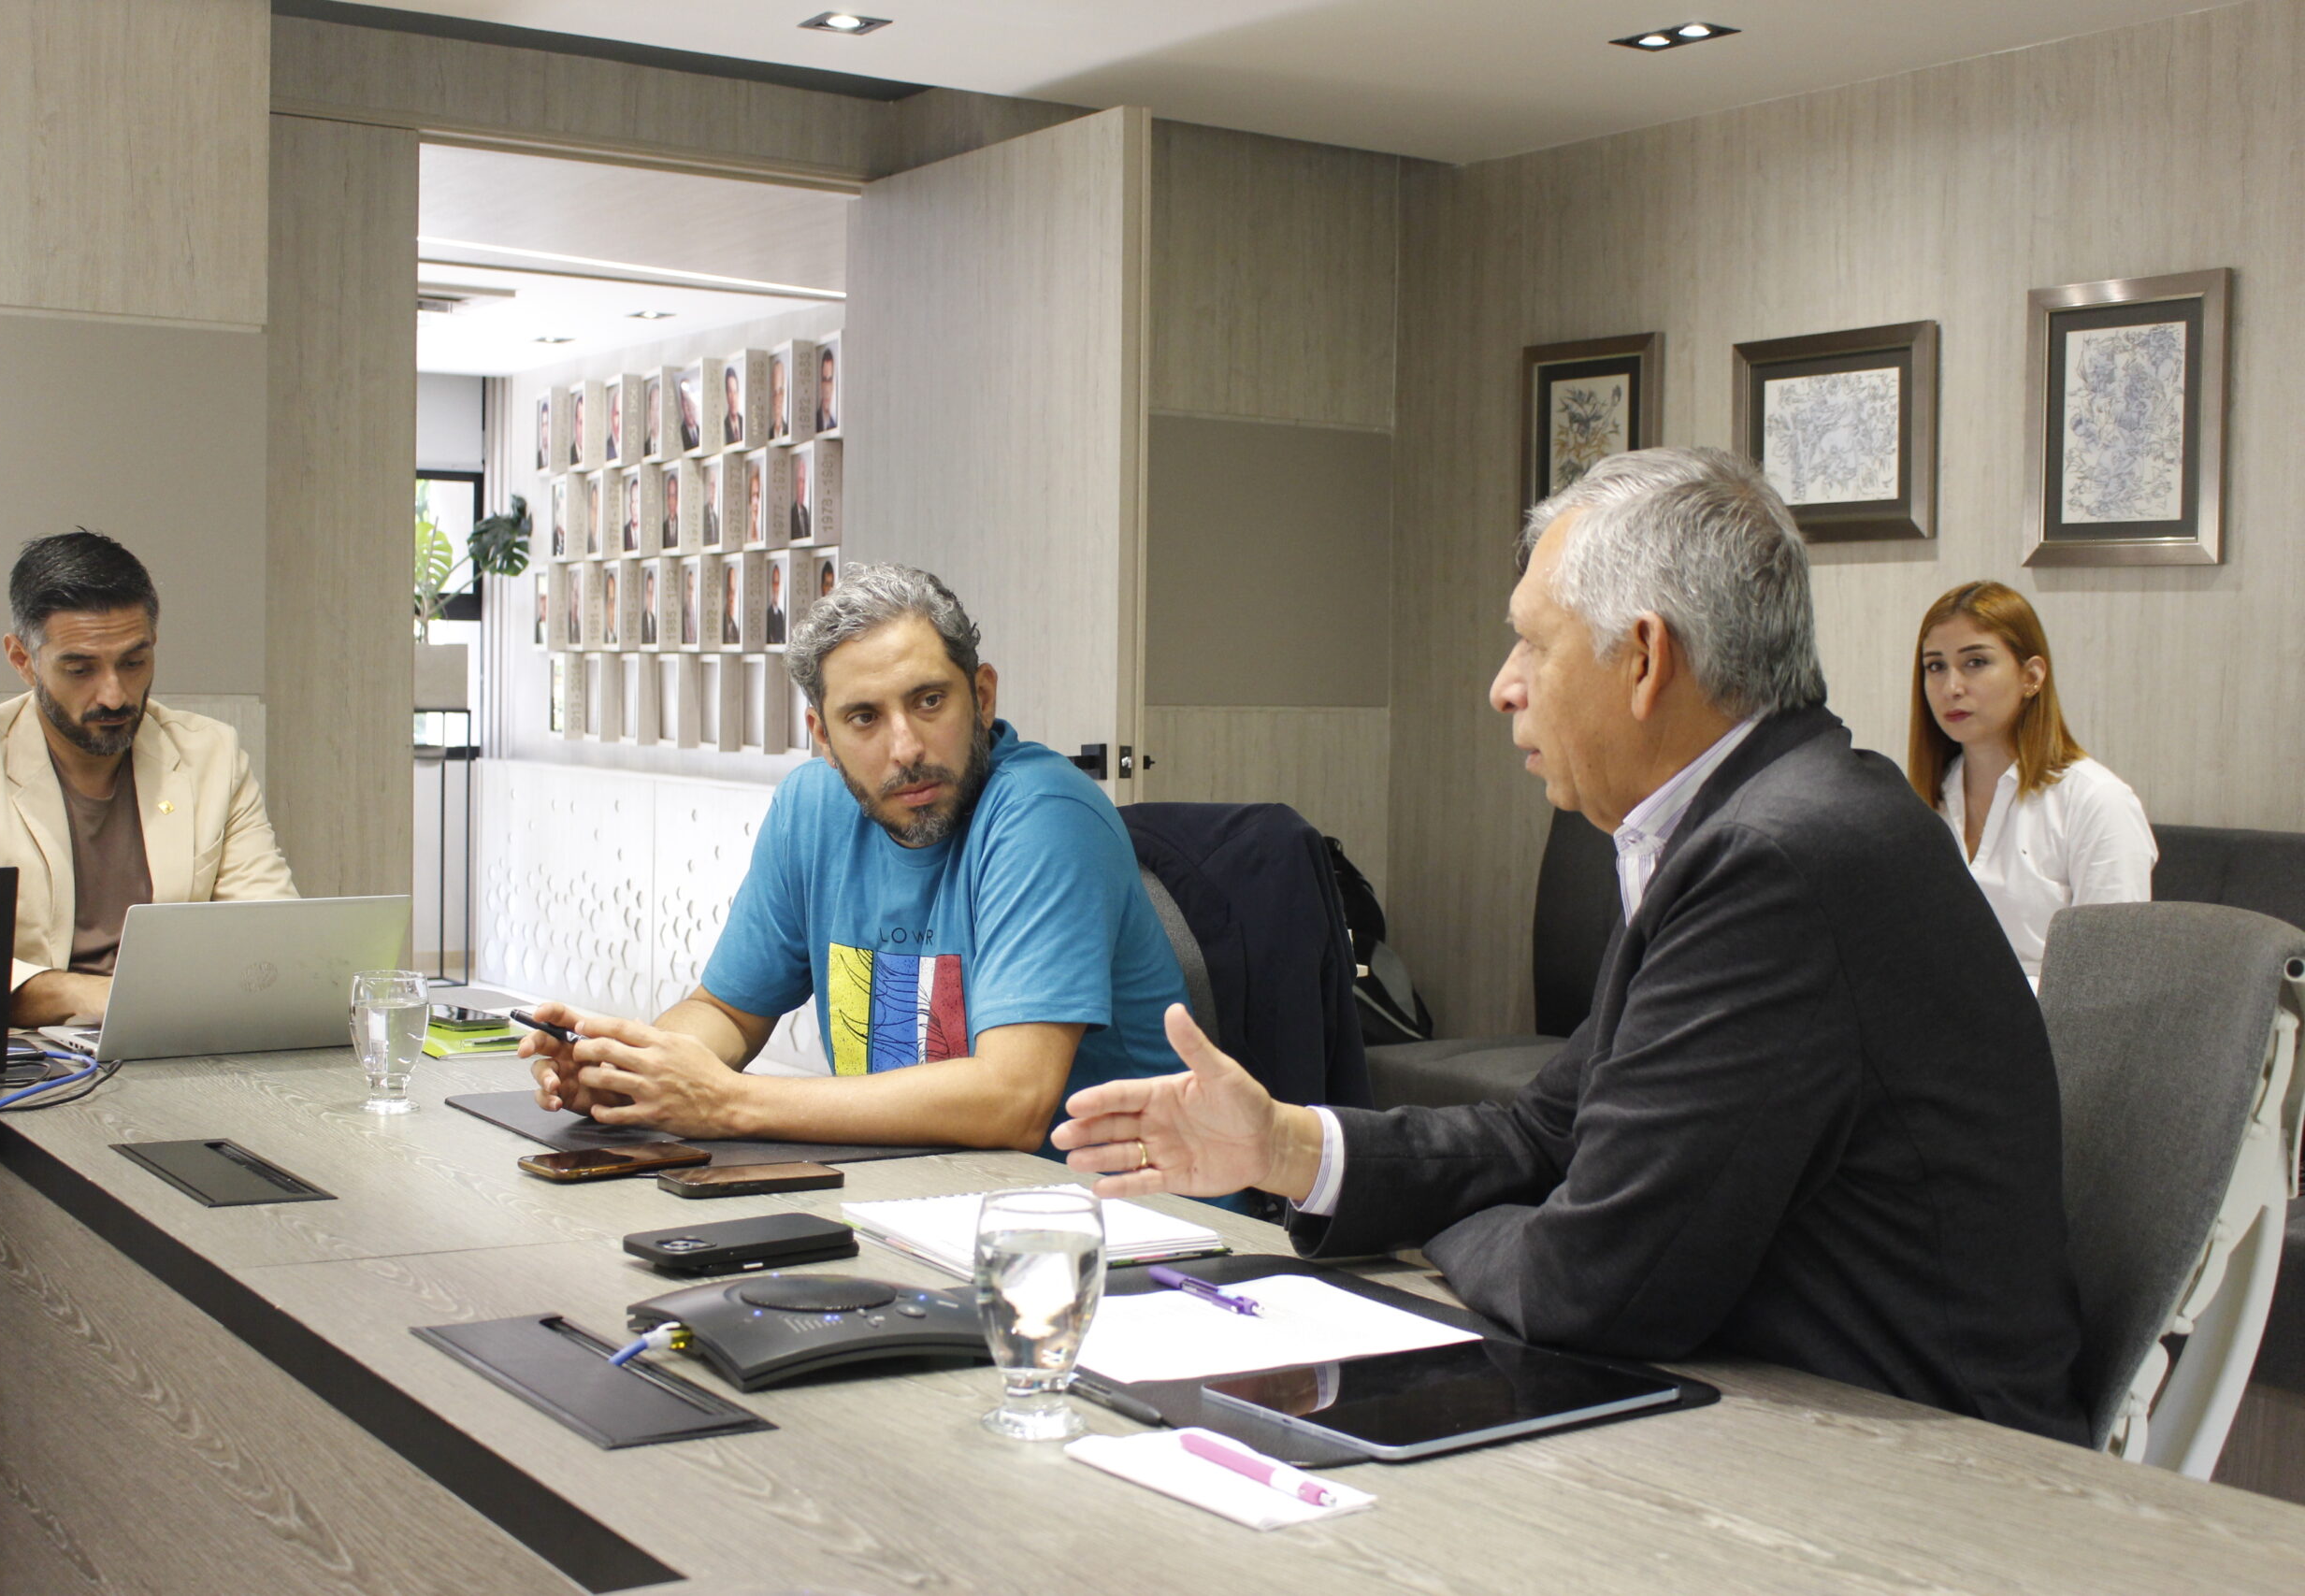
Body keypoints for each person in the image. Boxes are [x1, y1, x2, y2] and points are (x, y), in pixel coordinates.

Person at [1055, 447, 2088, 1444]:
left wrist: (1441, 1232)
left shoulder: (1778, 858)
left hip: (1915, 1461)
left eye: (1531, 646)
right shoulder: (1746, 819)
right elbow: (1545, 1135)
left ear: (1643, 660)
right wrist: (1284, 1148)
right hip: (1765, 1395)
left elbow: (1595, 1283)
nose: (1503, 687)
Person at [523, 564, 1190, 1152]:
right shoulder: (811, 809)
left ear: (982, 696)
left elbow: (1012, 1100)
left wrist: (725, 1103)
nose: (905, 748)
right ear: (823, 736)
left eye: (930, 701)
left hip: (1119, 1224)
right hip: (916, 1197)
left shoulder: (1044, 814)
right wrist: (633, 1075)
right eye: (864, 717)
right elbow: (727, 1013)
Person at [0, 531, 297, 1026]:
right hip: (29, 1055)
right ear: (22, 661)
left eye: (134, 663)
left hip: (182, 1039)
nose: (114, 695)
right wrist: (105, 996)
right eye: (79, 669)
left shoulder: (211, 756)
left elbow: (270, 933)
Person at [1910, 581, 2154, 987]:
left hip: (2051, 1039)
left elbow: (2111, 979)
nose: (1951, 687)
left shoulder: (2097, 801)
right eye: (1935, 666)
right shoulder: (1921, 800)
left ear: (2031, 676)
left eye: (1975, 663)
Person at [815, 344, 839, 433]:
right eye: (824, 380)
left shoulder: (834, 424)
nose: (827, 389)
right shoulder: (815, 422)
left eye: (830, 380)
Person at [764, 562, 786, 646]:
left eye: (777, 582)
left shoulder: (780, 614)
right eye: (774, 582)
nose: (776, 587)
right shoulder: (767, 613)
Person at [769, 354, 789, 443]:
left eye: (780, 391)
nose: (778, 398)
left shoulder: (789, 431)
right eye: (775, 393)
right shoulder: (767, 435)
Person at [722, 365, 743, 446]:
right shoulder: (723, 425)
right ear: (726, 395)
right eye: (730, 392)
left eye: (735, 392)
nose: (733, 398)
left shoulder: (744, 422)